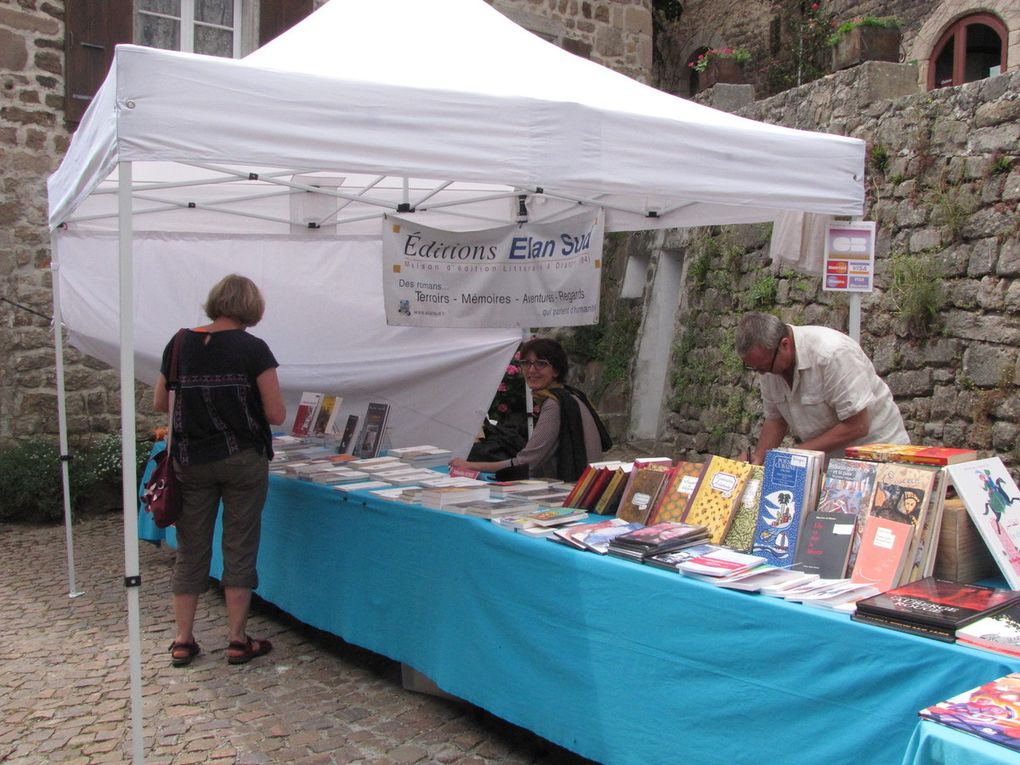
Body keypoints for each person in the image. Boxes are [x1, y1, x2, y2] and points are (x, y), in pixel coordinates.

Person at [153, 274, 286, 668]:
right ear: (251, 308)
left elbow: (163, 401)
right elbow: (276, 412)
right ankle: (236, 639)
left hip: (192, 460)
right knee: (240, 545)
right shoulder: (254, 349)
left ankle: (182, 639)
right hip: (243, 458)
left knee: (191, 548)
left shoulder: (179, 343)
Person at [735, 312, 907, 465]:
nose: (762, 374)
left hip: (879, 458)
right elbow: (776, 419)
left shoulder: (832, 354)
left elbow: (858, 425)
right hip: (832, 465)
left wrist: (796, 454)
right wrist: (758, 458)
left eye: (764, 367)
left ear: (784, 345)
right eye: (755, 368)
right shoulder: (768, 363)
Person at [450, 337, 611, 481]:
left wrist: (471, 465)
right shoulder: (572, 395)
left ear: (555, 370)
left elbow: (526, 463)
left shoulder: (554, 404)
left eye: (541, 363)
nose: (532, 370)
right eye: (526, 363)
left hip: (573, 491)